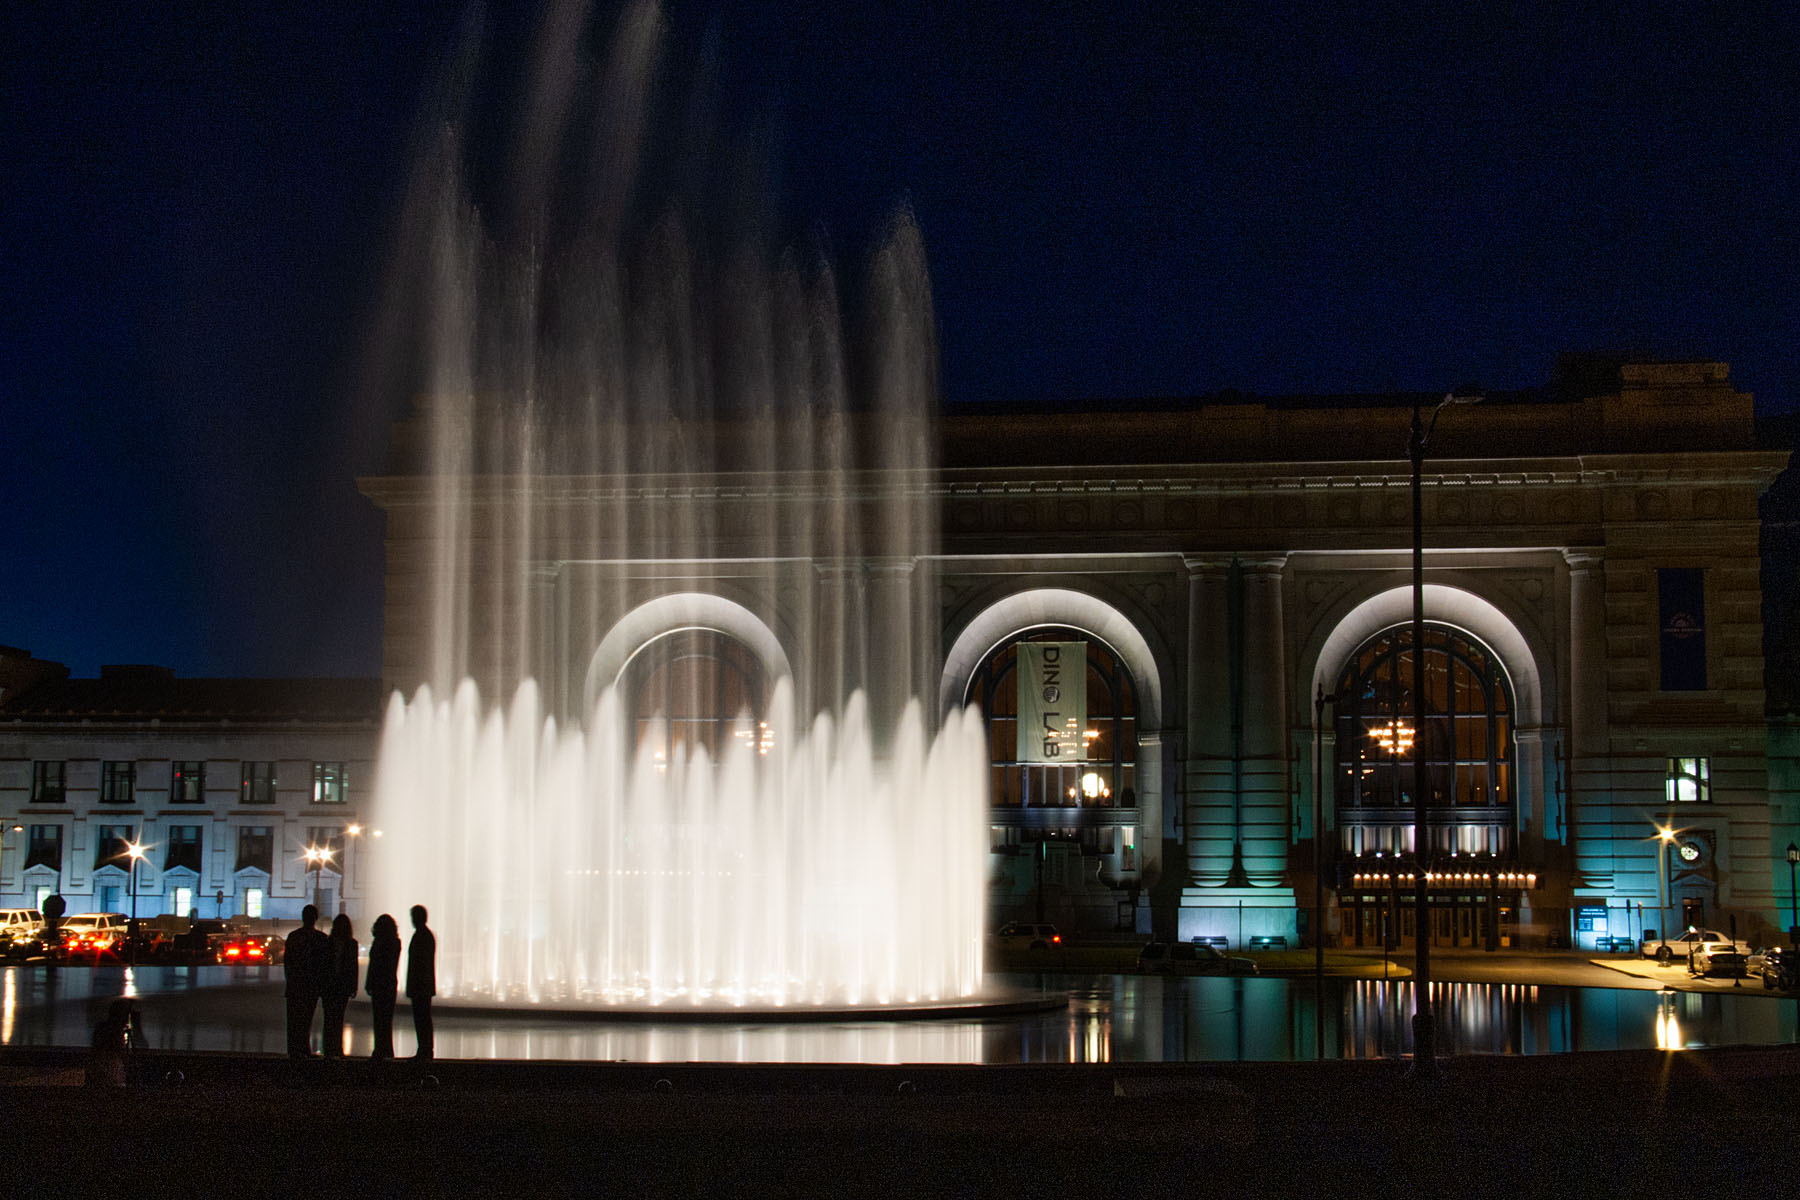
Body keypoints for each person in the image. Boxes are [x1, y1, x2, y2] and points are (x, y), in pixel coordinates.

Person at [283, 904, 328, 1059]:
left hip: (297, 985)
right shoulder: (321, 939)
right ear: (316, 918)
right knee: (306, 1019)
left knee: (295, 1020)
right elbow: (324, 965)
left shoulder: (293, 936)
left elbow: (288, 963)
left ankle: (294, 1050)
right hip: (310, 986)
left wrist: (290, 981)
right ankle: (303, 1049)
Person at [320, 913, 358, 1058]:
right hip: (331, 985)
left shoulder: (349, 944)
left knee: (336, 1017)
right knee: (331, 1017)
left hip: (340, 986)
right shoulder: (330, 943)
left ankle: (334, 1048)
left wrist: (353, 986)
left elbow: (353, 967)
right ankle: (330, 1048)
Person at [364, 913, 401, 1061]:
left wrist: (369, 982)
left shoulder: (379, 942)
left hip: (380, 984)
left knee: (379, 1018)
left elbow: (374, 965)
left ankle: (380, 1050)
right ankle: (385, 1050)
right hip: (389, 984)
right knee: (386, 1019)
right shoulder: (395, 942)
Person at [86, 997, 143, 1088]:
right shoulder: (114, 1032)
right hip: (111, 1075)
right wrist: (137, 1027)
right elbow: (126, 1051)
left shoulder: (101, 1028)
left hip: (100, 1074)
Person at [406, 904, 436, 1061]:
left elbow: (420, 964)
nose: (412, 920)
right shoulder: (424, 934)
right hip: (422, 986)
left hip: (421, 986)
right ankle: (424, 1049)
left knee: (422, 1018)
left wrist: (416, 985)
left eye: (413, 917)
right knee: (422, 1018)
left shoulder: (422, 935)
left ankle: (425, 1050)